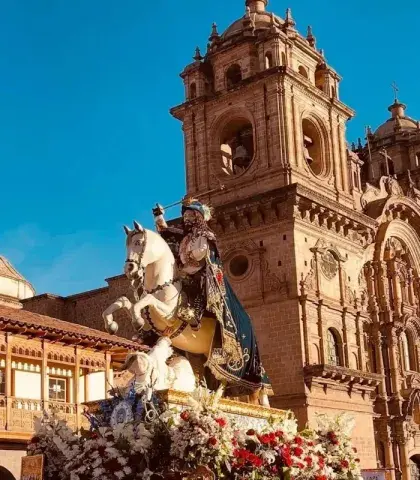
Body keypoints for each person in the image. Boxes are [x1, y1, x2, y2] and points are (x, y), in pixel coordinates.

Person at [152, 197, 272, 398]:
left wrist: (188, 262)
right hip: (187, 276)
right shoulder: (185, 237)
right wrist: (159, 215)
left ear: (199, 216)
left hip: (203, 277)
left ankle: (196, 316)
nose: (187, 218)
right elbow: (165, 232)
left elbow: (201, 257)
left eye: (191, 214)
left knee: (198, 290)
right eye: (185, 215)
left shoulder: (205, 235)